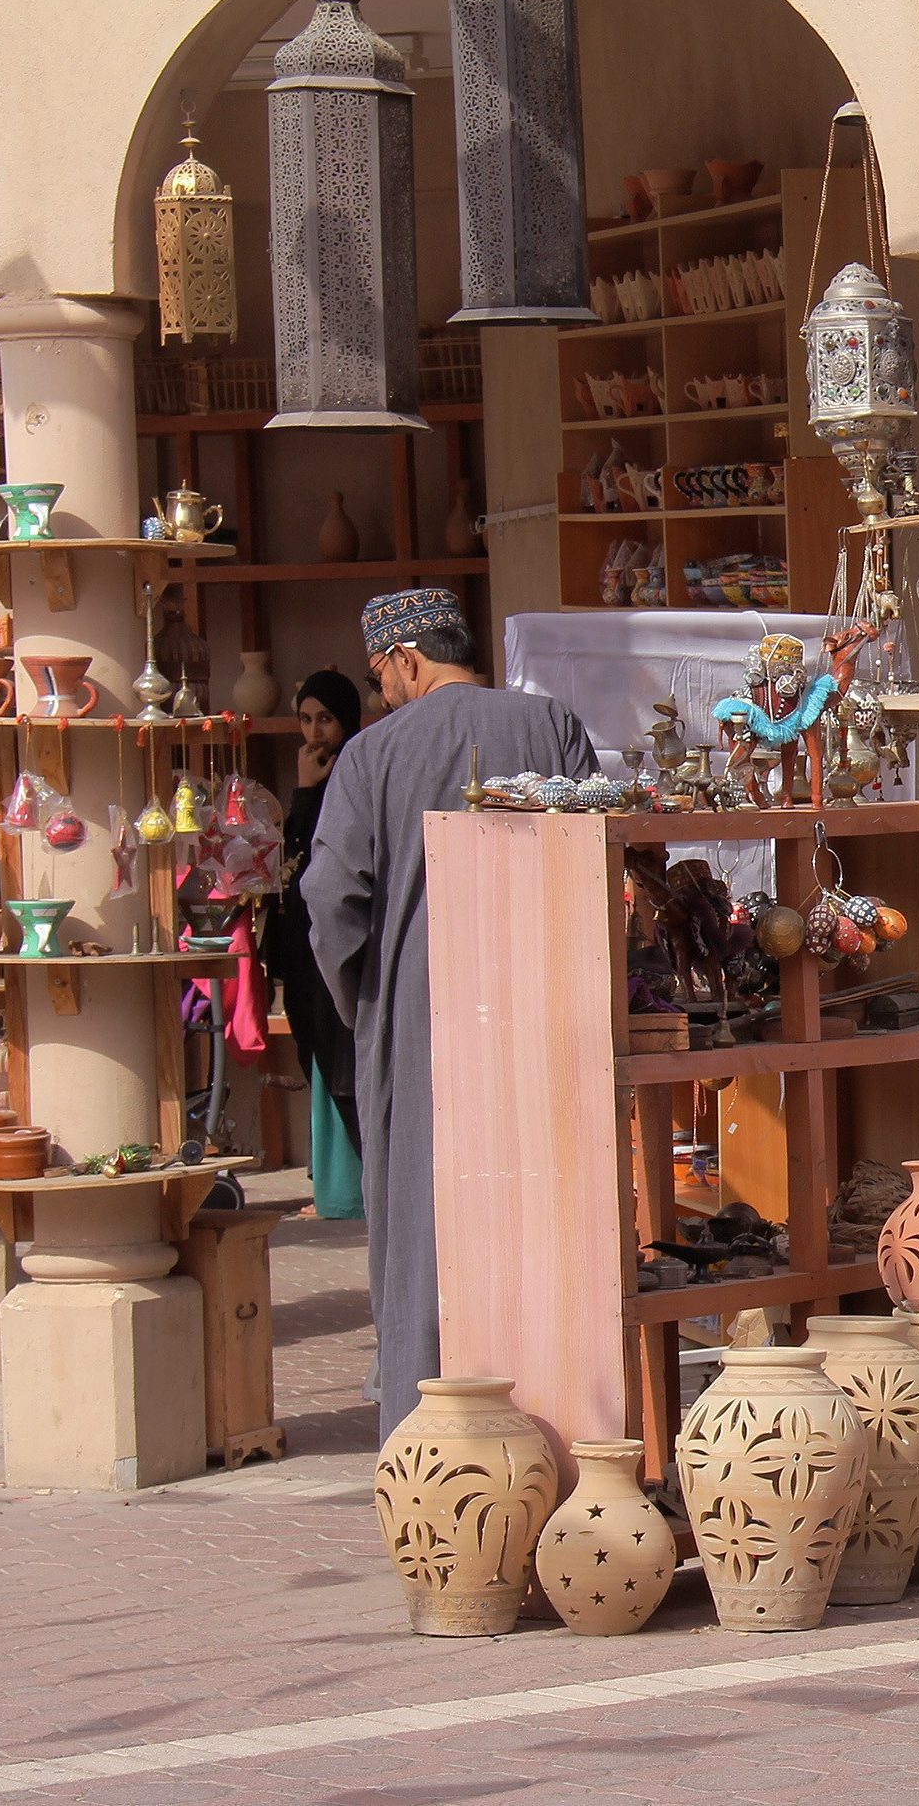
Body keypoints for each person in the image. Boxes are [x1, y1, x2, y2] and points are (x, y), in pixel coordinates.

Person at [305, 589, 601, 1442]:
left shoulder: (371, 755)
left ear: (405, 660)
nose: (382, 692)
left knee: (425, 1234)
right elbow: (605, 850)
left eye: (379, 677)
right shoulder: (552, 726)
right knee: (551, 1223)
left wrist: (371, 1000)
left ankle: (427, 1449)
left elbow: (332, 902)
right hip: (549, 1016)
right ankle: (567, 1434)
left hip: (421, 1025)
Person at [269, 668, 365, 1221]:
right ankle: (334, 1188)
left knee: (343, 1059)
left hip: (341, 944)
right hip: (307, 950)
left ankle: (351, 1193)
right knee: (319, 1057)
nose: (314, 732)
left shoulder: (354, 774)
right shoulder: (314, 777)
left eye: (325, 719)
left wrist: (308, 794)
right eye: (305, 720)